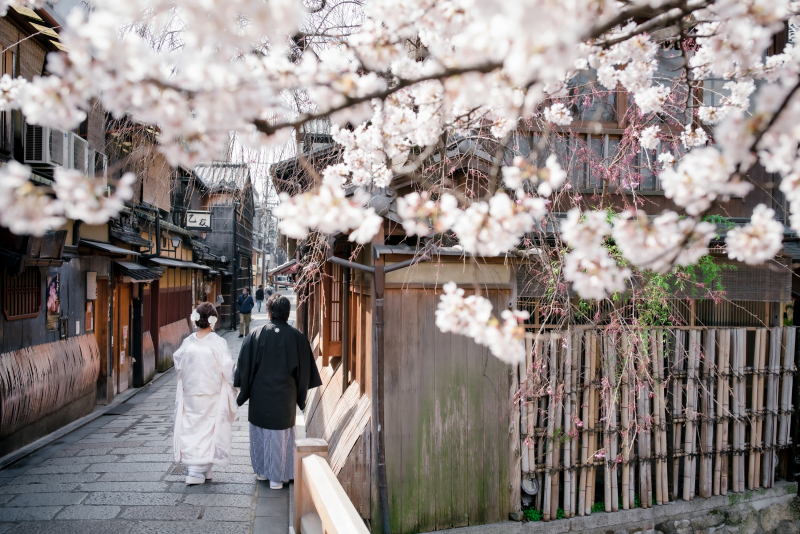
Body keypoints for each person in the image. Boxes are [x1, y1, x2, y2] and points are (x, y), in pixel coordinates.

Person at [234, 294, 322, 489]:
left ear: (269, 312)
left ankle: (263, 473)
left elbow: (244, 366)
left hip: (259, 396)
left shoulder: (255, 334)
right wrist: (300, 396)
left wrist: (242, 390)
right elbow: (305, 370)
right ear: (287, 312)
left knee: (260, 434)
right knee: (281, 437)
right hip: (286, 396)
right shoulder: (297, 337)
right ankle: (279, 477)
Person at [172, 302, 237, 485]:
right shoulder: (218, 342)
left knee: (192, 426)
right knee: (208, 429)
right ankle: (195, 469)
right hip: (211, 393)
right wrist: (235, 387)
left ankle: (205, 467)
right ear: (213, 320)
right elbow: (228, 369)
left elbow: (178, 363)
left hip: (191, 394)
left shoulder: (189, 342)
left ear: (196, 319)